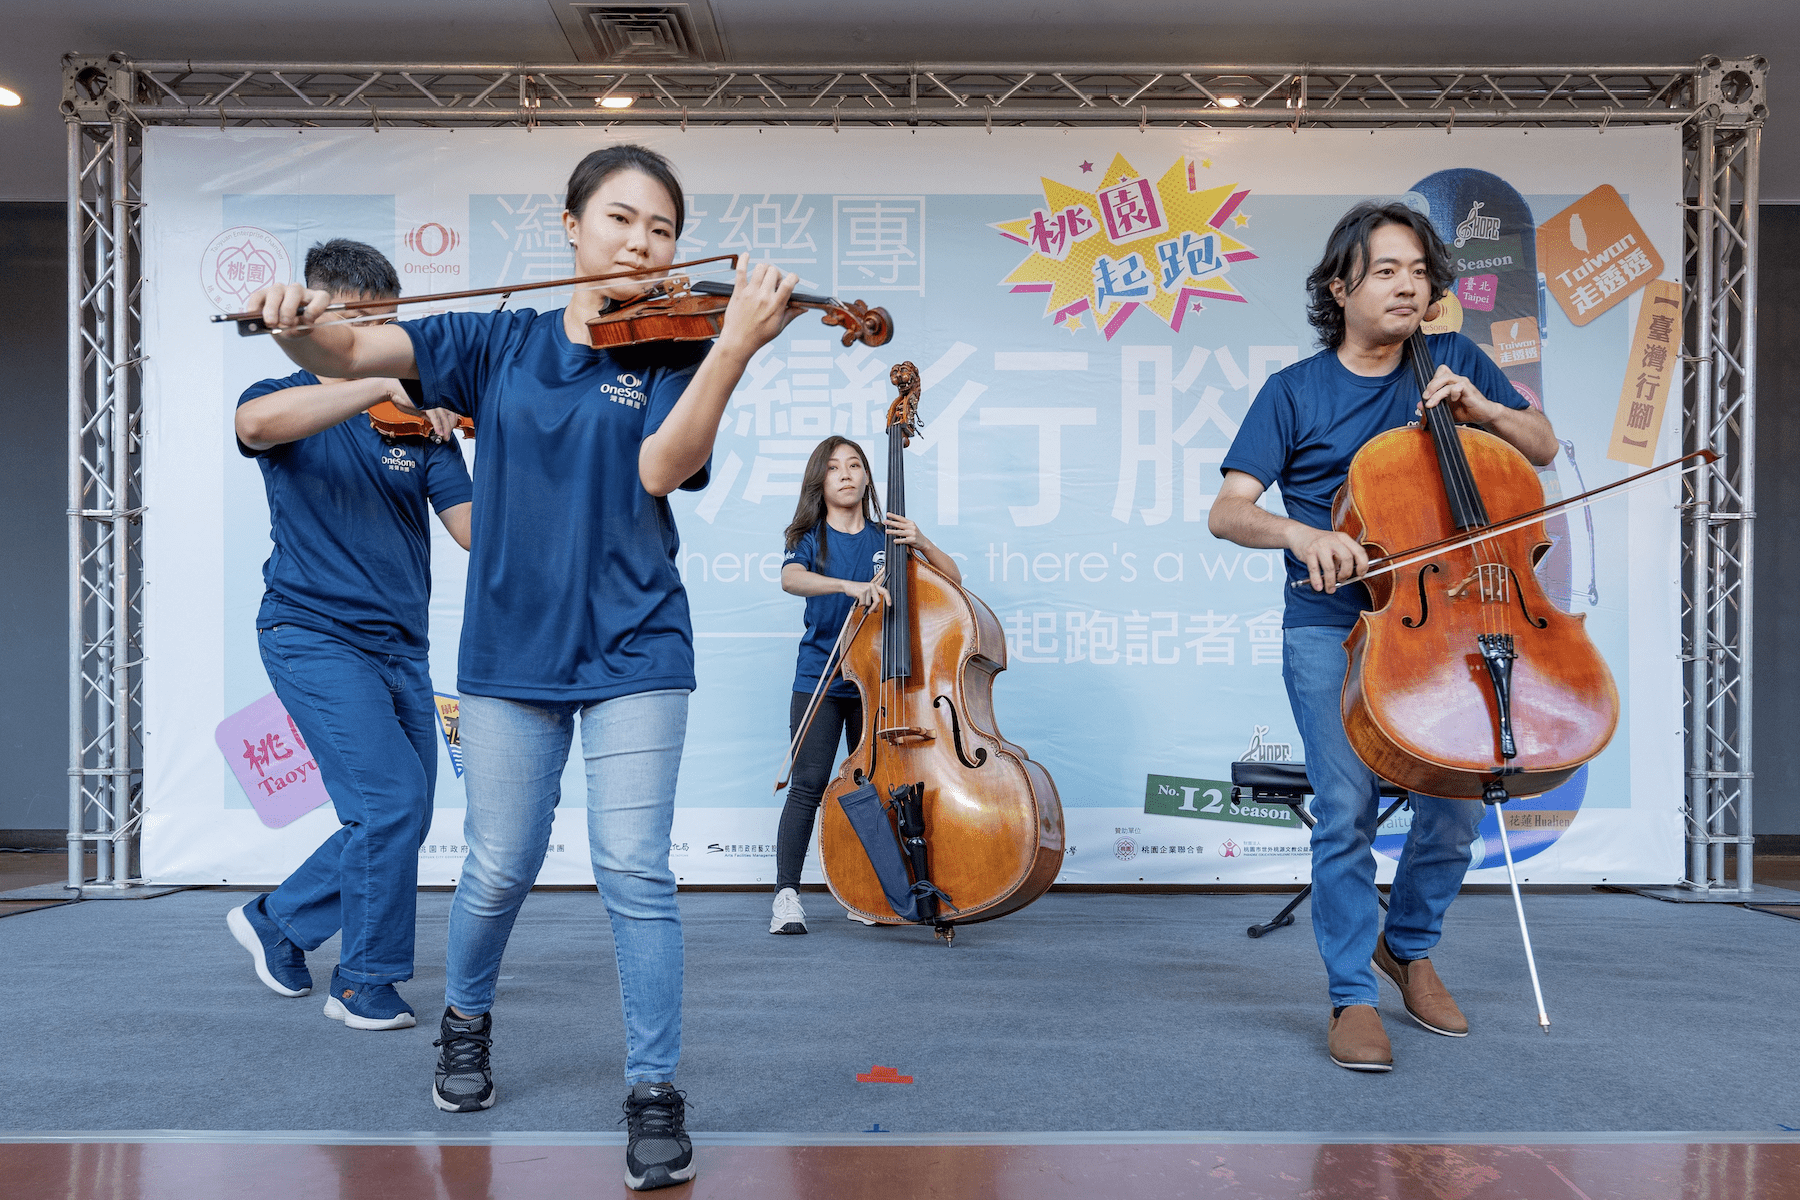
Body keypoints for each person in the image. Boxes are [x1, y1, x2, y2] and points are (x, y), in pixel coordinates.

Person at [240, 143, 800, 1192]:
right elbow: (354, 351)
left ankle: (654, 1091)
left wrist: (734, 349)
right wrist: (296, 325)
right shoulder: (494, 341)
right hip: (509, 651)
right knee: (499, 864)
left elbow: (658, 468)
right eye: (624, 219)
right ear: (573, 225)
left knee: (634, 869)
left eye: (664, 229)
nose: (643, 243)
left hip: (638, 644)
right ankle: (466, 1020)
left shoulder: (676, 352)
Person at [1208, 201, 1559, 1073]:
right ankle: (1350, 996)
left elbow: (1544, 448)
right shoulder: (1294, 390)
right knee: (1348, 806)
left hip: (1450, 623)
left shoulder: (1456, 363)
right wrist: (1302, 534)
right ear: (1341, 287)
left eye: (1419, 272)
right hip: (1333, 624)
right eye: (1387, 270)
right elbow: (1229, 510)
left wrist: (1483, 409)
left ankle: (1407, 944)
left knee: (1453, 799)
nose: (1410, 285)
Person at [225, 239, 472, 1033]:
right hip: (312, 633)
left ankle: (280, 920)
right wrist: (377, 379)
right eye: (362, 323)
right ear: (319, 315)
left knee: (400, 812)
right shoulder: (284, 393)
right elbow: (256, 425)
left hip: (401, 647)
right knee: (390, 804)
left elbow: (476, 532)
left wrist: (505, 432)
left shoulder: (420, 423)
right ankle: (363, 982)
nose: (377, 337)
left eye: (388, 326)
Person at [770, 436, 963, 935]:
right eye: (834, 467)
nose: (846, 473)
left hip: (878, 686)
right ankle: (786, 895)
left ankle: (874, 893)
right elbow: (792, 578)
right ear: (821, 480)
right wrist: (850, 587)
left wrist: (921, 542)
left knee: (879, 788)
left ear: (868, 477)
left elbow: (954, 581)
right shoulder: (810, 537)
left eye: (855, 464)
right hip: (822, 676)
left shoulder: (888, 538)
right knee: (809, 786)